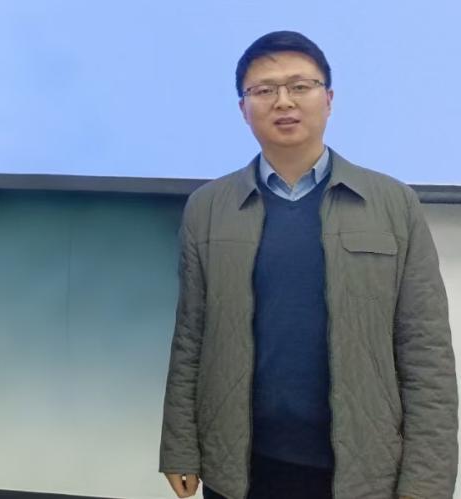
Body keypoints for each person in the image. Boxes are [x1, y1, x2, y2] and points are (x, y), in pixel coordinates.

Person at [159, 31, 458, 499]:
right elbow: (191, 338)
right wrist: (180, 446)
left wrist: (427, 482)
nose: (284, 101)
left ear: (329, 99)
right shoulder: (208, 207)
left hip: (363, 472)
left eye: (300, 86)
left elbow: (425, 349)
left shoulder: (392, 203)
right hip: (240, 468)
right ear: (243, 108)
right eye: (264, 90)